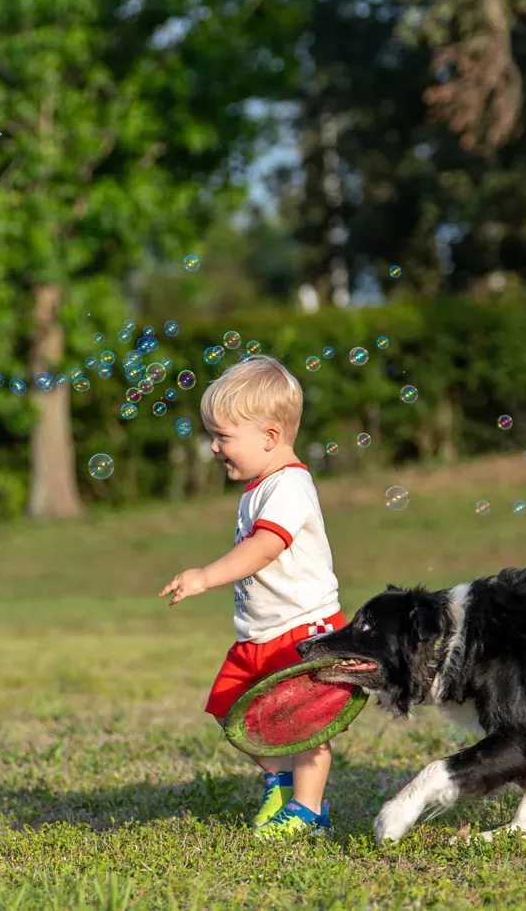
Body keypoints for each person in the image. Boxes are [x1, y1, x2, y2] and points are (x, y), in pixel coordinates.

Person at [158, 356, 350, 837]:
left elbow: (266, 547)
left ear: (268, 437)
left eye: (223, 436)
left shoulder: (291, 486)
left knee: (309, 727)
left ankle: (308, 813)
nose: (215, 447)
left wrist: (205, 576)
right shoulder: (259, 487)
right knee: (232, 710)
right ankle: (281, 781)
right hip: (260, 634)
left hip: (304, 632)